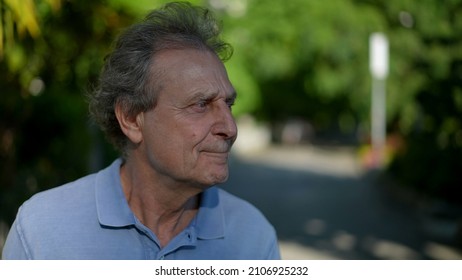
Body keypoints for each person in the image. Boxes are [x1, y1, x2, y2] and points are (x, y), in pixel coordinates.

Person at [2, 2, 280, 260]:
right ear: (132, 119)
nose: (229, 128)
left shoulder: (252, 237)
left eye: (228, 104)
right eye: (200, 104)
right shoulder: (42, 229)